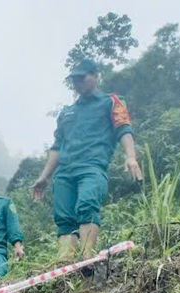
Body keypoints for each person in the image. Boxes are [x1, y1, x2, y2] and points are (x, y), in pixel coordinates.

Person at [31, 58, 144, 263]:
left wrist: (131, 157)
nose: (78, 82)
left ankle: (87, 259)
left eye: (82, 77)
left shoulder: (111, 102)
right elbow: (57, 147)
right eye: (74, 79)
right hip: (64, 172)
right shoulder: (66, 112)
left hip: (92, 167)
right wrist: (44, 177)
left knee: (87, 205)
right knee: (64, 218)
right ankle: (65, 264)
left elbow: (123, 128)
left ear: (96, 76)